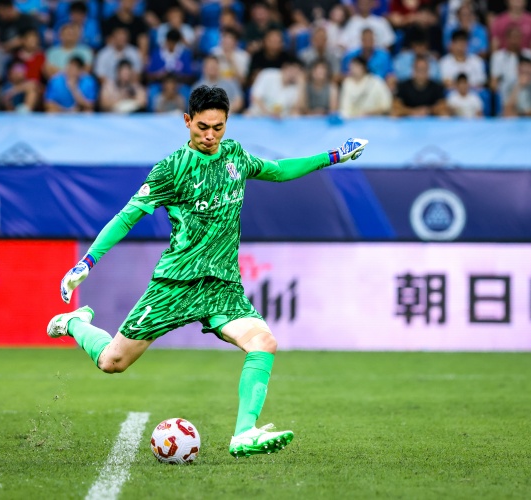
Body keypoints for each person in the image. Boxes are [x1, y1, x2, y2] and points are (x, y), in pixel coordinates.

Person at [47, 85, 368, 458]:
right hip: (176, 285)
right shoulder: (171, 169)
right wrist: (87, 262)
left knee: (263, 343)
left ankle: (244, 433)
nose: (210, 135)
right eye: (202, 127)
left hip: (222, 286)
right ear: (187, 121)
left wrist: (334, 155)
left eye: (218, 127)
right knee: (112, 362)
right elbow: (126, 217)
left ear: (227, 123)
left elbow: (279, 171)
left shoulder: (235, 156)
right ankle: (75, 322)